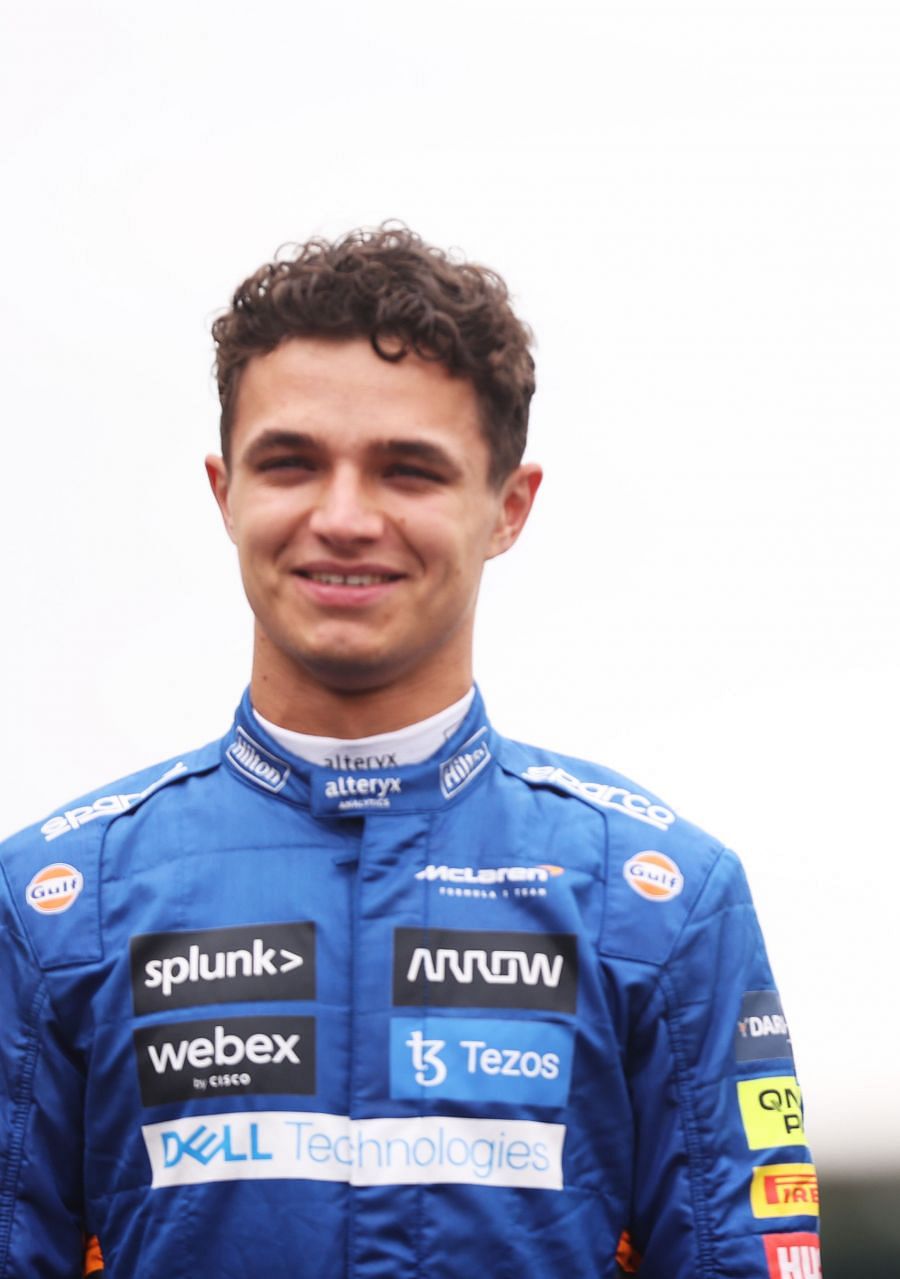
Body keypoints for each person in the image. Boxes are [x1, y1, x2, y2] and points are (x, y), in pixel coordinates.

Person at [0, 226, 820, 1278]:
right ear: (224, 492)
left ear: (507, 508)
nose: (344, 518)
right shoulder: (57, 904)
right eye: (292, 463)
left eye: (410, 471)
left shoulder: (658, 900)